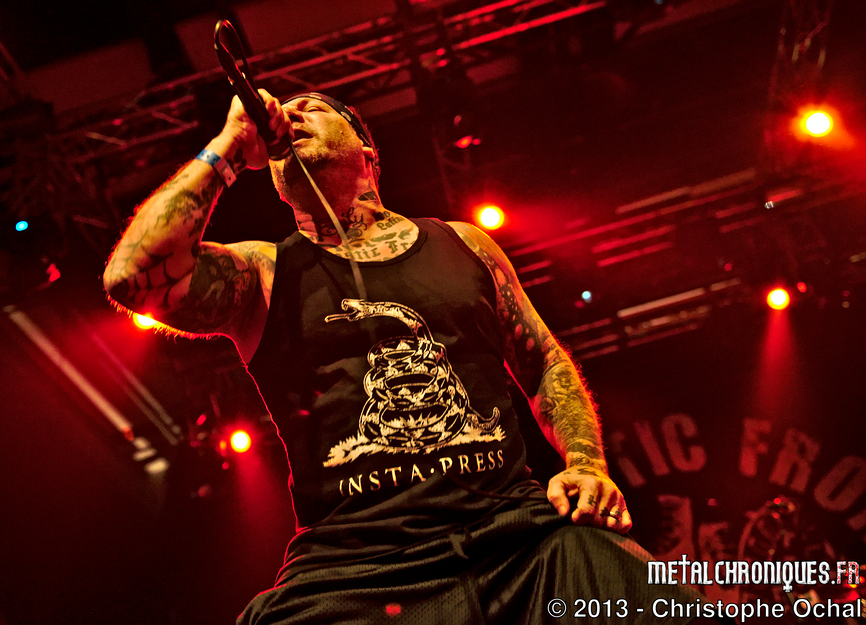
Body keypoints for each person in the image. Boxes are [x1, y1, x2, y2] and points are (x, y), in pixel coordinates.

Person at [104, 90, 711, 624]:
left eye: (312, 109)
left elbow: (544, 361)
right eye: (284, 116)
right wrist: (231, 146)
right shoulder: (263, 272)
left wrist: (587, 465)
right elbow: (132, 277)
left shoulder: (464, 243)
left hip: (519, 542)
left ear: (368, 155)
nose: (291, 117)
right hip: (357, 572)